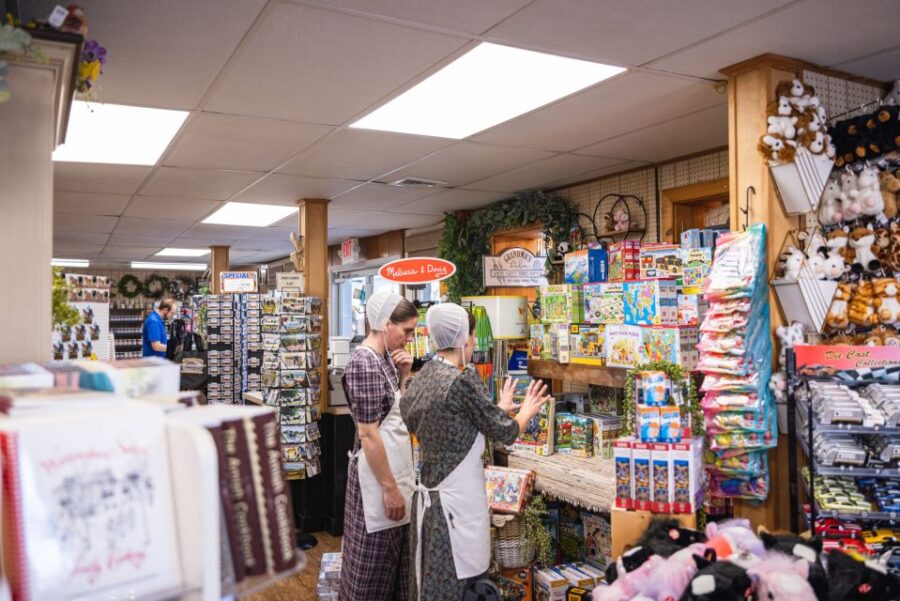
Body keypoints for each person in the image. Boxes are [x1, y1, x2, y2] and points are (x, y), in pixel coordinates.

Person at [401, 303, 551, 601]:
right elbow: (505, 431)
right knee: (463, 587)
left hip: (429, 498)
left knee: (432, 581)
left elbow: (452, 425)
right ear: (465, 339)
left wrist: (498, 409)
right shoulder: (462, 379)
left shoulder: (423, 377)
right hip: (459, 506)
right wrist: (527, 412)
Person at [340, 289, 419, 601]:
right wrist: (389, 488)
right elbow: (369, 435)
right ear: (386, 324)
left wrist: (405, 374)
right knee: (371, 577)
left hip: (392, 477)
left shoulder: (385, 360)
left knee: (393, 574)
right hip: (378, 485)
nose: (409, 338)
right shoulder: (364, 364)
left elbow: (395, 410)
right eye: (407, 331)